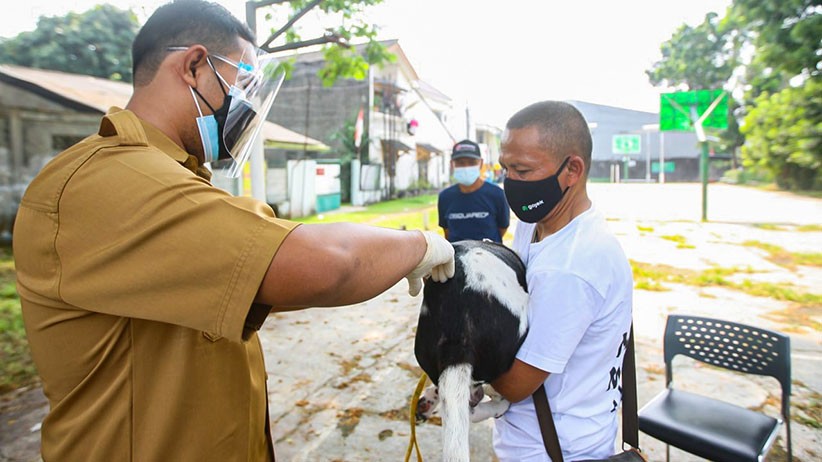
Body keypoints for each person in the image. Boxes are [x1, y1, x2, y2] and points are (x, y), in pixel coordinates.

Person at [11, 1, 454, 460]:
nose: (245, 106)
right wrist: (420, 244)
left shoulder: (171, 176)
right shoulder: (106, 182)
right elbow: (327, 264)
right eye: (242, 85)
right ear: (194, 65)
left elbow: (260, 287)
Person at [490, 101, 633, 461]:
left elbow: (515, 384)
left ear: (572, 169)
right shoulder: (534, 224)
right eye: (505, 168)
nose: (511, 182)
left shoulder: (573, 265)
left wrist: (462, 348)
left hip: (556, 449)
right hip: (534, 435)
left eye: (522, 170)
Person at [437, 139, 510, 243]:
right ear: (452, 164)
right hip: (457, 256)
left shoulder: (497, 194)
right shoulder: (445, 197)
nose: (466, 167)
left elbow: (502, 228)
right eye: (460, 163)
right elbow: (446, 231)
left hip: (490, 256)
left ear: (480, 163)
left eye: (472, 162)